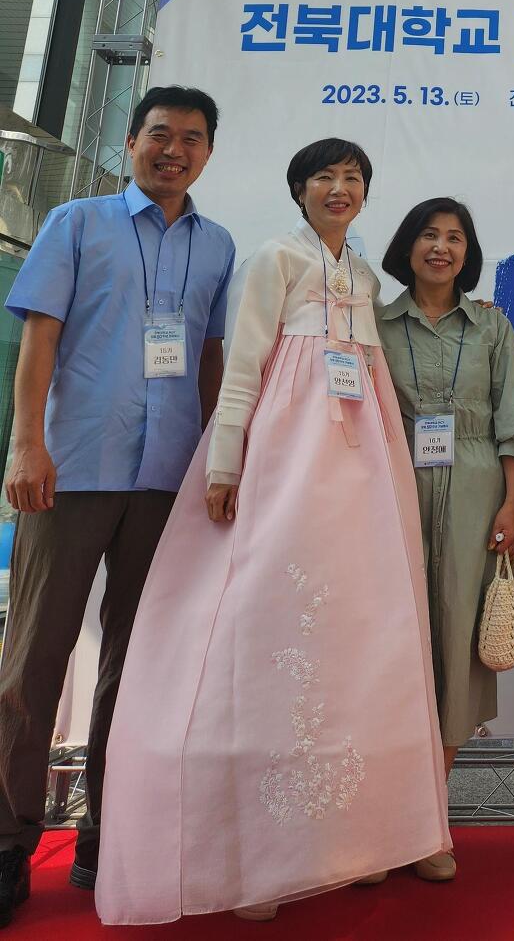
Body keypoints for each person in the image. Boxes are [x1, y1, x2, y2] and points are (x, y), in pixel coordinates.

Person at [95, 140, 450, 924]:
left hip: (363, 465)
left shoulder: (364, 276)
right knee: (268, 623)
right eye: (324, 176)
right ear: (299, 189)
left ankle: (350, 841)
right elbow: (244, 366)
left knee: (357, 635)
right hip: (285, 459)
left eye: (353, 178)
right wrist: (226, 463)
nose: (339, 188)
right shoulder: (274, 260)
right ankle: (252, 858)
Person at [0, 86, 234, 929]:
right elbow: (40, 340)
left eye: (192, 138)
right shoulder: (77, 223)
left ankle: (112, 834)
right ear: (131, 141)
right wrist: (26, 445)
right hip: (72, 469)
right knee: (34, 661)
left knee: (139, 669)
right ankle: (8, 840)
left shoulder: (218, 246)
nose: (174, 150)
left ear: (208, 153)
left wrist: (218, 461)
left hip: (168, 481)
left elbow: (209, 358)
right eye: (160, 134)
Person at [379, 195, 514, 879]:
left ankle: (429, 823)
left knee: (457, 646)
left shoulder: (492, 326)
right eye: (429, 235)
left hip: (475, 490)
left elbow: (510, 424)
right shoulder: (375, 322)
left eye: (455, 238)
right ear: (407, 246)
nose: (442, 248)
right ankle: (381, 823)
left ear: (468, 253)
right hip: (393, 486)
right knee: (395, 645)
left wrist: (513, 504)